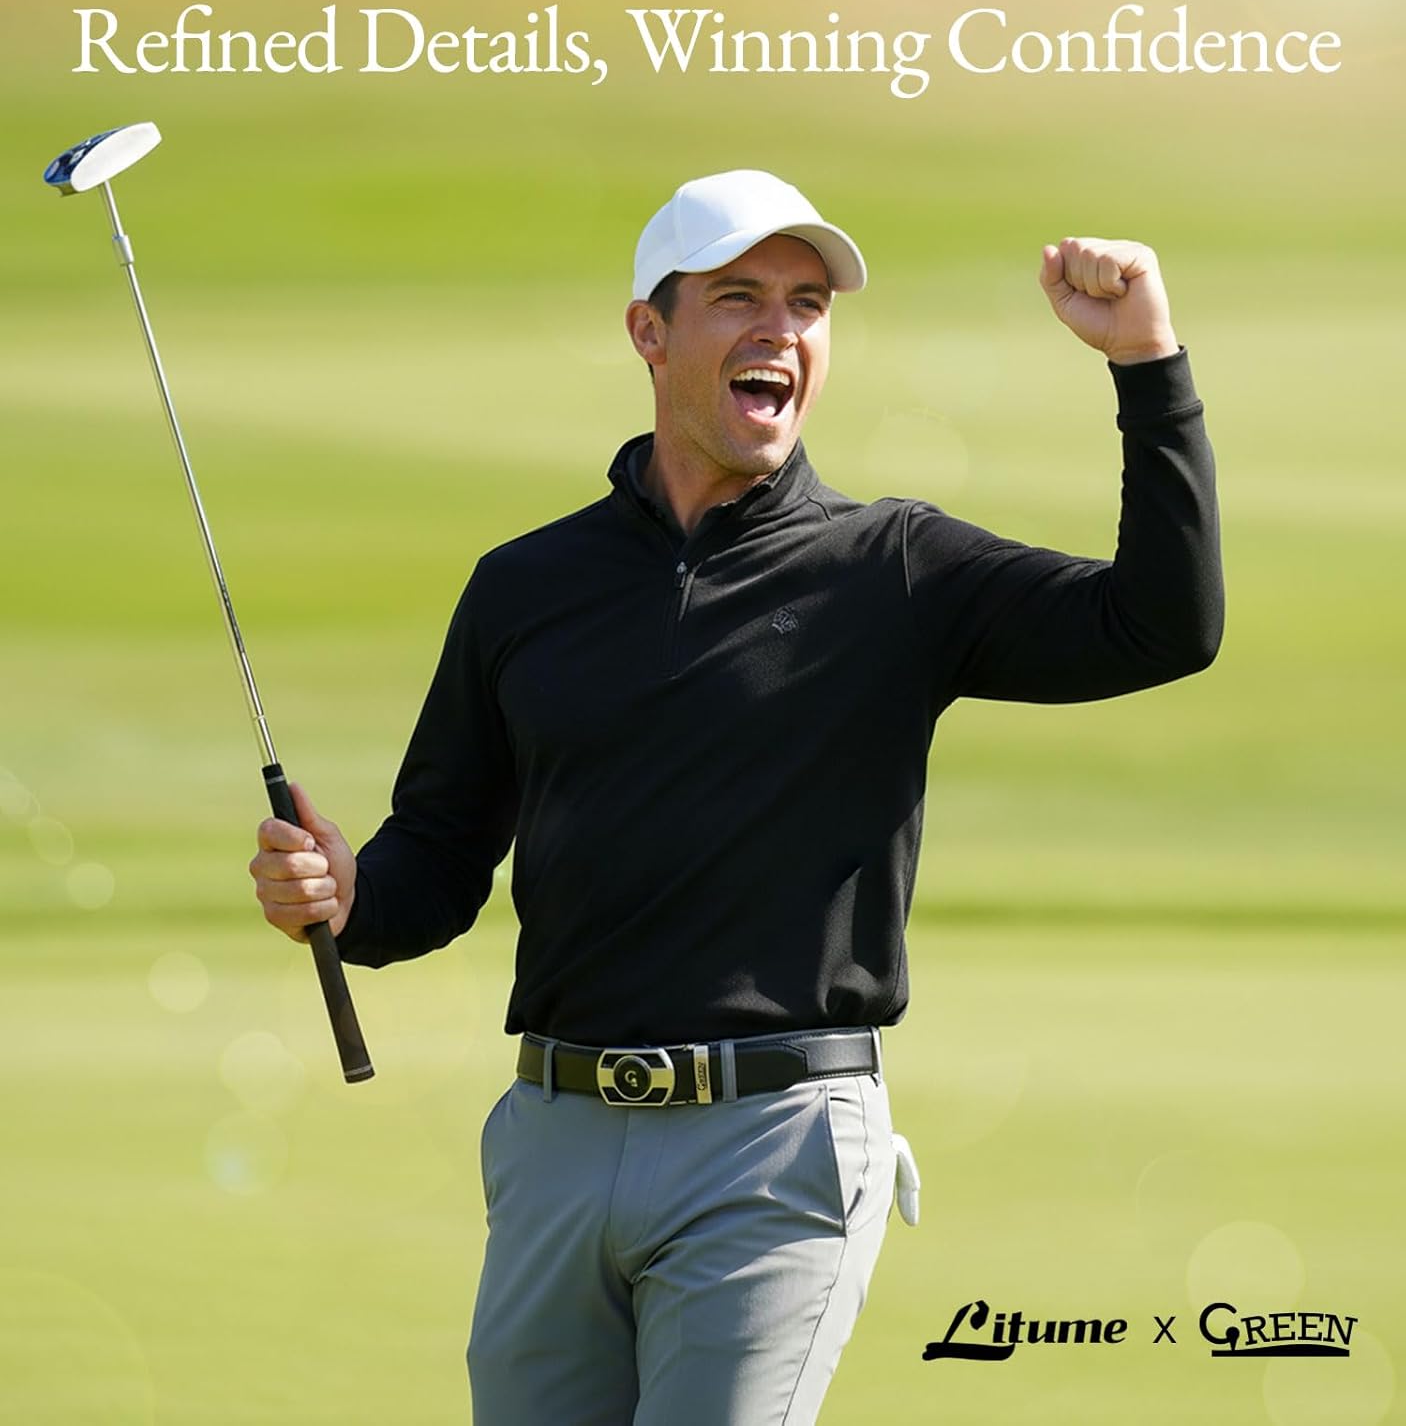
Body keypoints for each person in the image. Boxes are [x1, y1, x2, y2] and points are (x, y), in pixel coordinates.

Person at [249, 169, 1222, 1424]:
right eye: (739, 298)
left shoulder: (892, 571)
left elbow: (1160, 627)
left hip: (774, 1149)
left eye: (807, 305)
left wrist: (1145, 363)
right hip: (554, 1142)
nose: (781, 330)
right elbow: (435, 861)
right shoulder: (523, 587)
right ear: (648, 333)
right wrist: (342, 896)